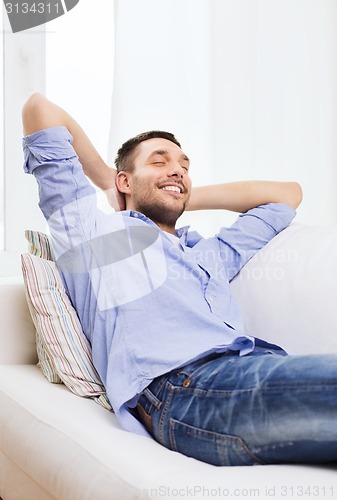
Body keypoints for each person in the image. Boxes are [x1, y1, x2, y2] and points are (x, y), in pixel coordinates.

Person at [22, 93, 337, 467]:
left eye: (183, 167)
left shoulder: (208, 253)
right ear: (125, 179)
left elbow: (287, 197)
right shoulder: (94, 237)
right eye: (159, 161)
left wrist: (178, 193)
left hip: (248, 368)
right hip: (184, 389)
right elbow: (40, 110)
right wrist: (111, 183)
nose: (177, 170)